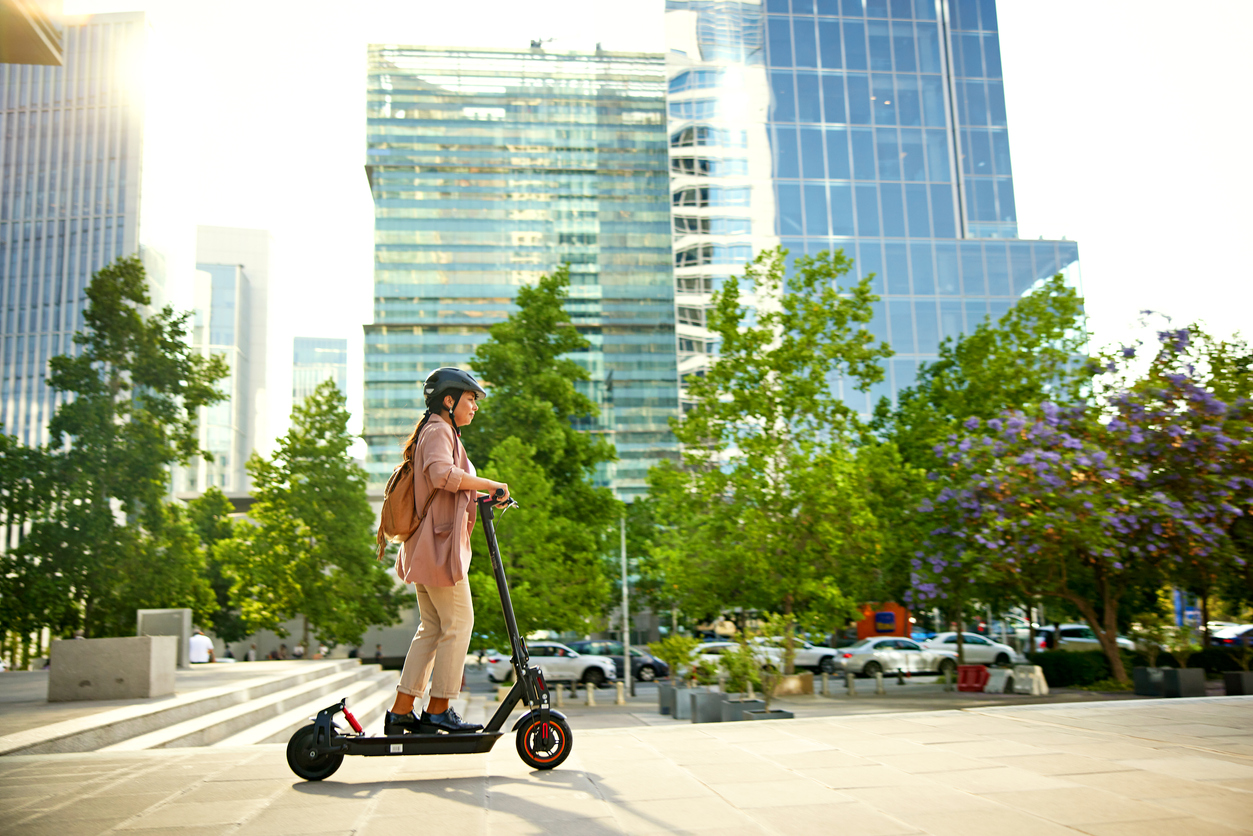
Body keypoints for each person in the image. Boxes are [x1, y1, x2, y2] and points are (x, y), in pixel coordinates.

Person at [384, 368, 510, 735]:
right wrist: (489, 483)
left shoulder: (439, 431)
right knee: (459, 623)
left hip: (426, 547)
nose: (474, 407)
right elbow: (441, 474)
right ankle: (438, 709)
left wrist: (483, 495)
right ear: (449, 400)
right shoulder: (439, 430)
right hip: (438, 551)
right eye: (470, 400)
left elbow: (448, 486)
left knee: (433, 627)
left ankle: (401, 711)